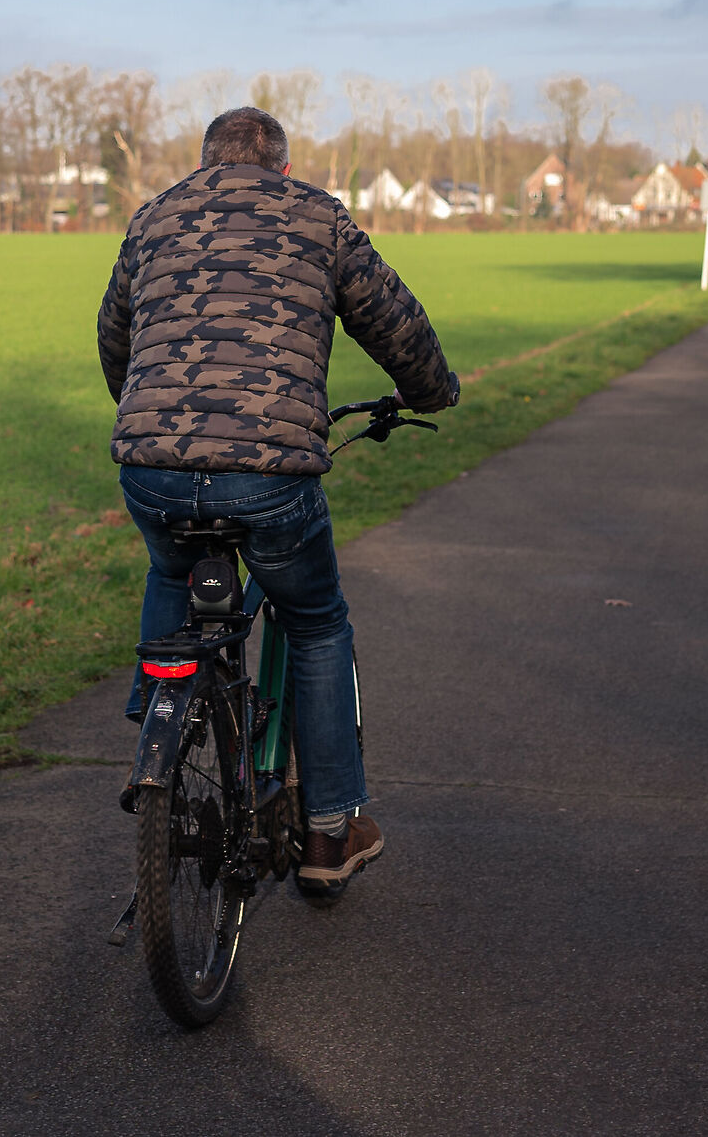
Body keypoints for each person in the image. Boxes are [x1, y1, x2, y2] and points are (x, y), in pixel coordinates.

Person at [97, 105, 458, 899]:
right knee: (316, 620)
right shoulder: (317, 217)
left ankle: (160, 726)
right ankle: (330, 831)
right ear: (283, 170)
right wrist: (433, 391)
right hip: (270, 474)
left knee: (172, 567)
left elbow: (115, 339)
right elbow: (394, 322)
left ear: (203, 165)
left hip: (150, 466)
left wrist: (151, 415)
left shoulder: (152, 218)